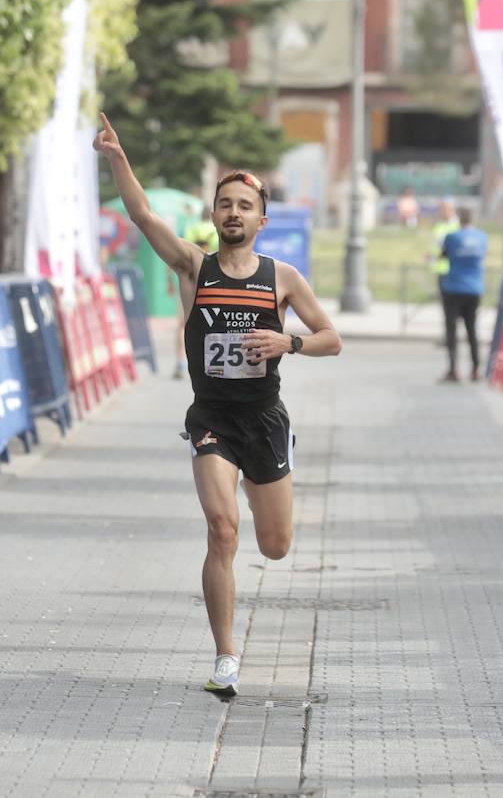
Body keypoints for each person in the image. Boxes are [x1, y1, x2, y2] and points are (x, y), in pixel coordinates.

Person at [93, 113, 341, 697]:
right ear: (213, 214)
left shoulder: (283, 278)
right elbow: (143, 216)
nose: (233, 212)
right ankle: (226, 654)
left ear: (261, 219)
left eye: (244, 206)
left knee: (275, 546)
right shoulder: (193, 266)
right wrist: (116, 156)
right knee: (222, 529)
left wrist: (290, 341)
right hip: (212, 418)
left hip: (265, 418)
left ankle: (264, 485)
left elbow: (332, 337)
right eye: (224, 203)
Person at [438, 206, 487, 382]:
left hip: (453, 287)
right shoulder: (482, 237)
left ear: (459, 219)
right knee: (472, 329)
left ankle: (453, 369)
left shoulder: (452, 237)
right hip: (474, 288)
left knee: (451, 330)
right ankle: (475, 369)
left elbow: (443, 255)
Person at [174, 213, 220, 379]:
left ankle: (180, 362)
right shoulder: (216, 231)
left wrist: (169, 281)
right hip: (212, 281)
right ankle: (211, 362)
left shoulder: (190, 230)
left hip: (190, 279)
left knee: (182, 324)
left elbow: (178, 254)